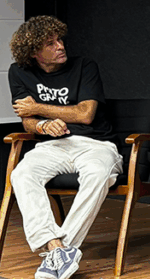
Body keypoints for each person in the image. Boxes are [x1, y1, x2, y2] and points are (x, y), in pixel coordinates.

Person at [7, 16, 122, 279]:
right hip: (53, 146)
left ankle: (60, 250)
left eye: (59, 39)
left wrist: (37, 109)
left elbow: (85, 114)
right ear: (34, 52)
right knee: (21, 174)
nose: (60, 46)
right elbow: (28, 123)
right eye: (50, 43)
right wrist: (43, 127)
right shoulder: (19, 72)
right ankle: (57, 248)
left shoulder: (84, 66)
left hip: (96, 144)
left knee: (99, 173)